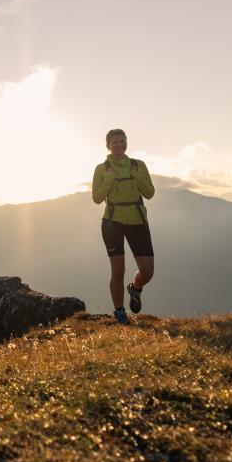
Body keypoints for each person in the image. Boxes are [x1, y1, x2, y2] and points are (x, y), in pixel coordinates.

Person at [92, 129, 155, 324]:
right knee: (118, 270)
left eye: (122, 141)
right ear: (108, 145)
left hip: (137, 220)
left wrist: (136, 176)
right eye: (115, 142)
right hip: (113, 222)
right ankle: (119, 311)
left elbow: (150, 193)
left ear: (126, 143)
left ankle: (135, 288)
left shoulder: (138, 165)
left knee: (147, 271)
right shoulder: (102, 169)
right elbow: (97, 198)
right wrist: (109, 179)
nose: (119, 145)